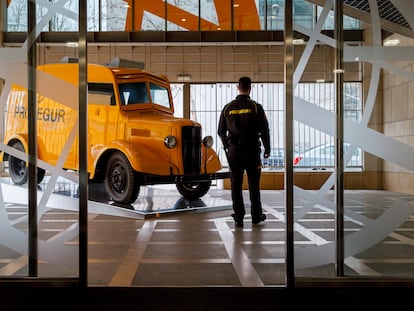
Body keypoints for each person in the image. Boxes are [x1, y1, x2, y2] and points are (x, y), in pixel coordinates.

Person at [218, 76, 271, 228]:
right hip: (252, 150)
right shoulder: (256, 107)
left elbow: (220, 131)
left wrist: (228, 147)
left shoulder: (228, 107)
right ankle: (256, 216)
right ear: (250, 88)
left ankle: (238, 217)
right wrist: (267, 149)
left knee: (236, 184)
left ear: (238, 87)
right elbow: (264, 130)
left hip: (234, 151)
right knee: (254, 184)